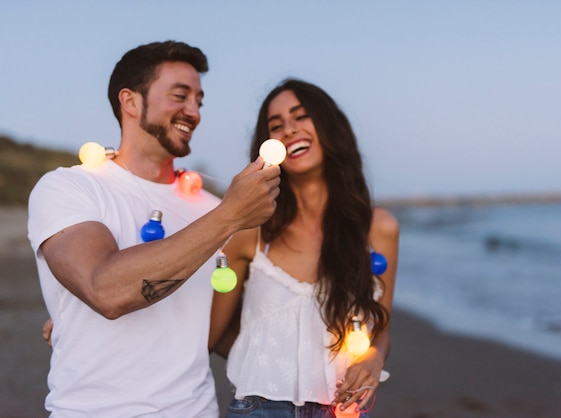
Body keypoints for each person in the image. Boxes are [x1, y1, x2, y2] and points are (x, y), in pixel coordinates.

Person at [28, 41, 281, 417]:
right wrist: (230, 215)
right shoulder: (69, 187)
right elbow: (105, 290)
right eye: (180, 96)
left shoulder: (211, 209)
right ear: (130, 101)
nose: (193, 111)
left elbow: (223, 332)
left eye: (199, 101)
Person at [208, 79, 399, 417]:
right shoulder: (251, 232)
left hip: (345, 407)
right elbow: (212, 335)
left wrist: (374, 356)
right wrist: (262, 357)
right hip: (259, 408)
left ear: (329, 125)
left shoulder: (378, 229)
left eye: (301, 116)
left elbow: (380, 330)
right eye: (276, 125)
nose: (289, 130)